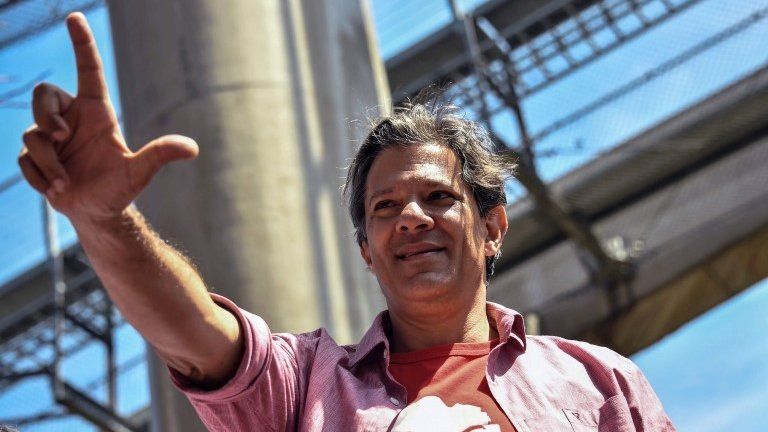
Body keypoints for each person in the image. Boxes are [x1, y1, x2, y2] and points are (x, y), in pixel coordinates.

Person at [18, 12, 676, 432]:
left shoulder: (600, 383)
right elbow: (191, 331)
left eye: (438, 199)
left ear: (493, 226)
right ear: (366, 250)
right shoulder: (302, 386)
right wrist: (103, 219)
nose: (410, 218)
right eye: (384, 209)